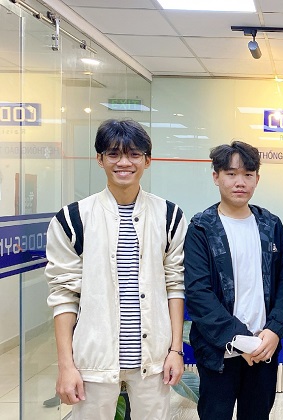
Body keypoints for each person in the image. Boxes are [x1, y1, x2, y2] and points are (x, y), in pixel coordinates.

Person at [45, 119, 186, 419]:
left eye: (134, 154)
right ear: (100, 159)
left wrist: (176, 350)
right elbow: (63, 295)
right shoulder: (73, 219)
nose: (124, 163)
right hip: (93, 359)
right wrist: (66, 366)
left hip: (153, 358)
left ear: (148, 160)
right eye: (113, 154)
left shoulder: (169, 216)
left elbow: (175, 285)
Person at [184, 141, 283, 419]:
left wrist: (274, 330)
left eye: (248, 174)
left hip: (264, 347)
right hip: (219, 352)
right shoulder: (201, 227)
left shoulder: (271, 225)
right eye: (231, 173)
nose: (240, 182)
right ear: (216, 177)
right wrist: (241, 340)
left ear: (257, 178)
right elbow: (199, 293)